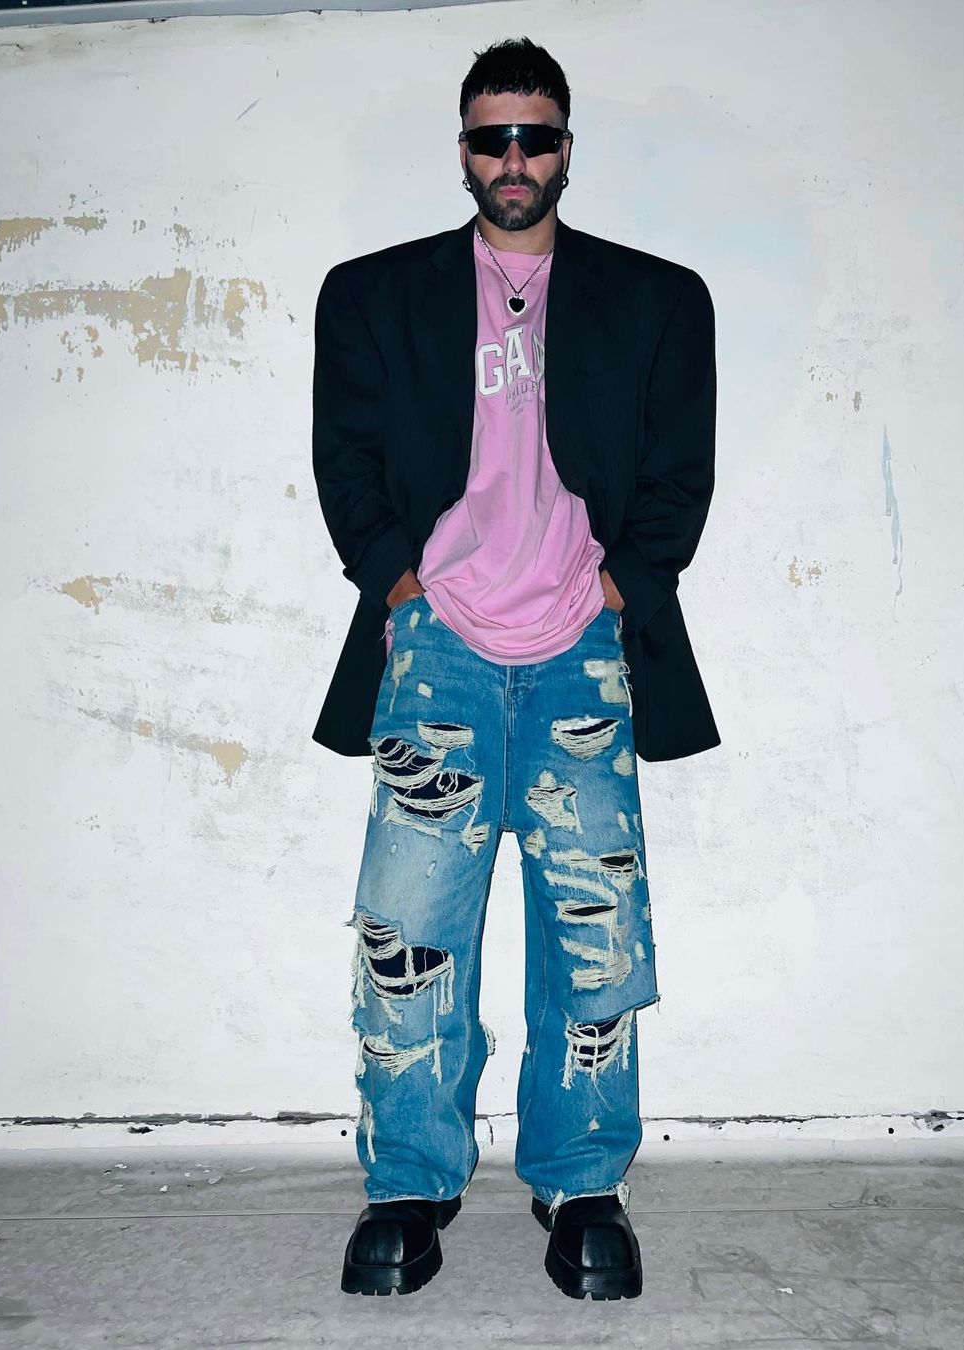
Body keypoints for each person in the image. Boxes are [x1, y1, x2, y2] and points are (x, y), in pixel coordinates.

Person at [311, 36, 719, 1301]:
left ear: (565, 148)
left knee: (593, 931)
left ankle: (581, 1182)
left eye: (535, 135)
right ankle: (409, 1182)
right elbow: (345, 465)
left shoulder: (657, 299)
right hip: (436, 647)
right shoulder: (375, 295)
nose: (514, 158)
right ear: (464, 150)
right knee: (411, 928)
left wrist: (616, 590)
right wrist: (401, 587)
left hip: (582, 652)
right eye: (493, 137)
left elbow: (680, 477)